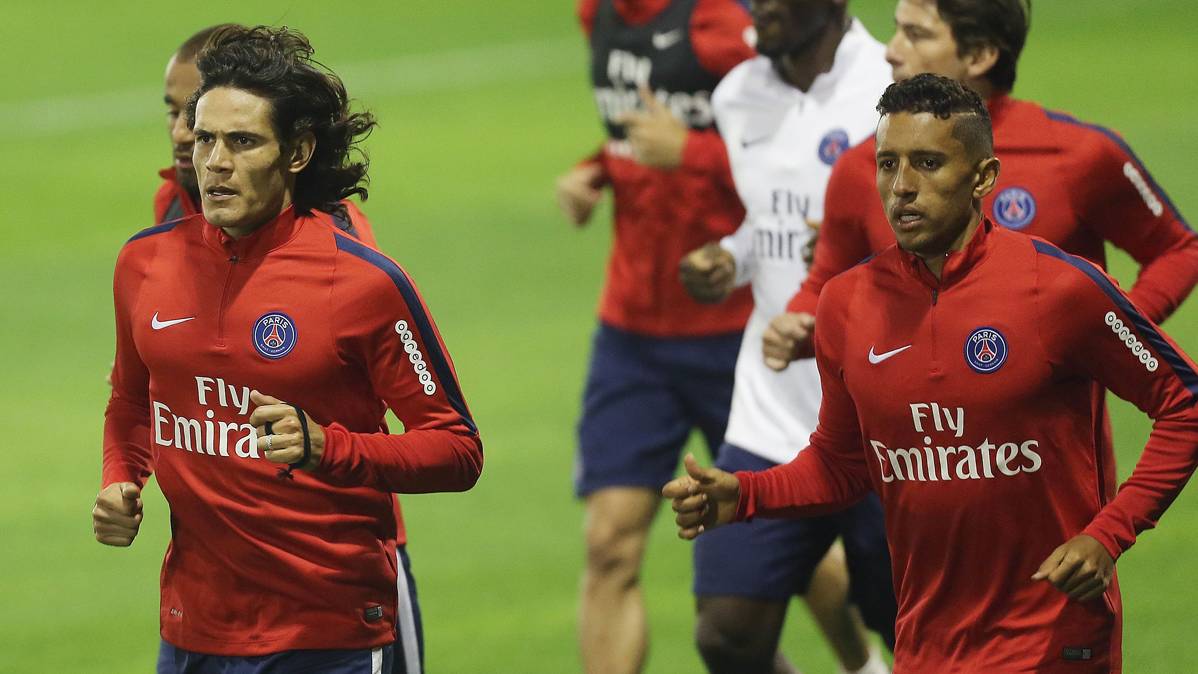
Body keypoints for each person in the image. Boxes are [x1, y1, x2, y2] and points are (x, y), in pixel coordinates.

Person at [666, 74, 1198, 673]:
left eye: (927, 163)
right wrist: (747, 494)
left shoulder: (1057, 289)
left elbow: (1185, 404)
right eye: (887, 164)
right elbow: (843, 465)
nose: (902, 187)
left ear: (983, 178)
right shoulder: (847, 305)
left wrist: (1109, 534)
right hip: (927, 648)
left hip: (1050, 642)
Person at [93, 26, 482, 674]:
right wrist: (120, 479)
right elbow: (132, 401)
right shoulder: (143, 262)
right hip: (192, 631)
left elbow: (457, 449)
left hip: (327, 634)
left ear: (297, 152)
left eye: (242, 142)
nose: (213, 161)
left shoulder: (361, 282)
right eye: (205, 138)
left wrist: (328, 446)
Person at [764, 0, 1197, 371]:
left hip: (1044, 445)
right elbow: (826, 284)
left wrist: (1111, 331)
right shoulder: (863, 167)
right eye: (897, 30)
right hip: (912, 439)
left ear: (979, 55)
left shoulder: (1076, 155)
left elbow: (1179, 251)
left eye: (916, 35)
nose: (891, 52)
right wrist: (797, 328)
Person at [676, 1, 892, 672]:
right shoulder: (736, 95)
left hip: (882, 411)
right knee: (727, 633)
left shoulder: (890, 86)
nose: (759, 7)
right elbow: (767, 216)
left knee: (908, 622)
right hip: (774, 407)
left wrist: (853, 255)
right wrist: (732, 258)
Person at [555, 1, 755, 671]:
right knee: (609, 543)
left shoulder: (724, 25)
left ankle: (863, 661)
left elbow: (802, 158)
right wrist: (597, 169)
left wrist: (692, 152)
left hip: (740, 331)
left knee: (797, 543)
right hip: (633, 333)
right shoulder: (598, 15)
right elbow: (630, 134)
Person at [156, 24, 378, 247]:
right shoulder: (172, 201)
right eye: (174, 113)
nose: (180, 134)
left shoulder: (340, 238)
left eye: (242, 140)